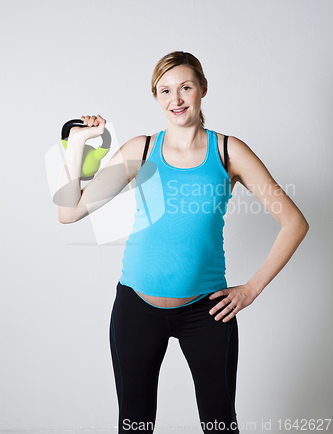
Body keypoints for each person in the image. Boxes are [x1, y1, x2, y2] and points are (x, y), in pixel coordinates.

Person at [57, 51, 309, 434]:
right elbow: (69, 211)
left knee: (220, 426)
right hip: (136, 310)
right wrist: (77, 146)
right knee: (135, 428)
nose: (176, 99)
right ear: (156, 97)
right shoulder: (140, 150)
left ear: (202, 89)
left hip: (207, 314)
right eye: (165, 91)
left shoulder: (228, 151)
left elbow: (294, 222)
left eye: (185, 87)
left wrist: (250, 290)